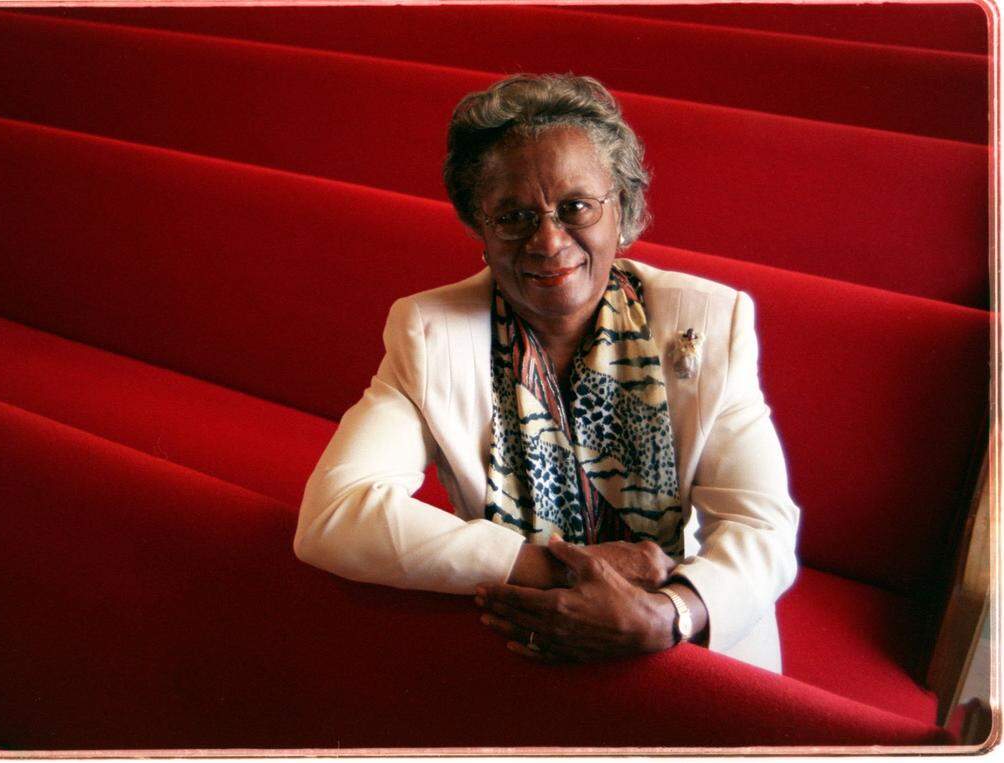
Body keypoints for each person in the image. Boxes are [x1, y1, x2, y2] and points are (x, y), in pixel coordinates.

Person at [294, 73, 799, 672]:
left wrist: (668, 615)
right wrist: (552, 566)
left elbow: (759, 525)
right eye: (512, 215)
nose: (548, 240)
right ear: (480, 229)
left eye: (575, 207)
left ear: (624, 212)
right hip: (519, 634)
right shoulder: (429, 332)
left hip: (689, 644)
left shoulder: (709, 321)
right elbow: (332, 515)